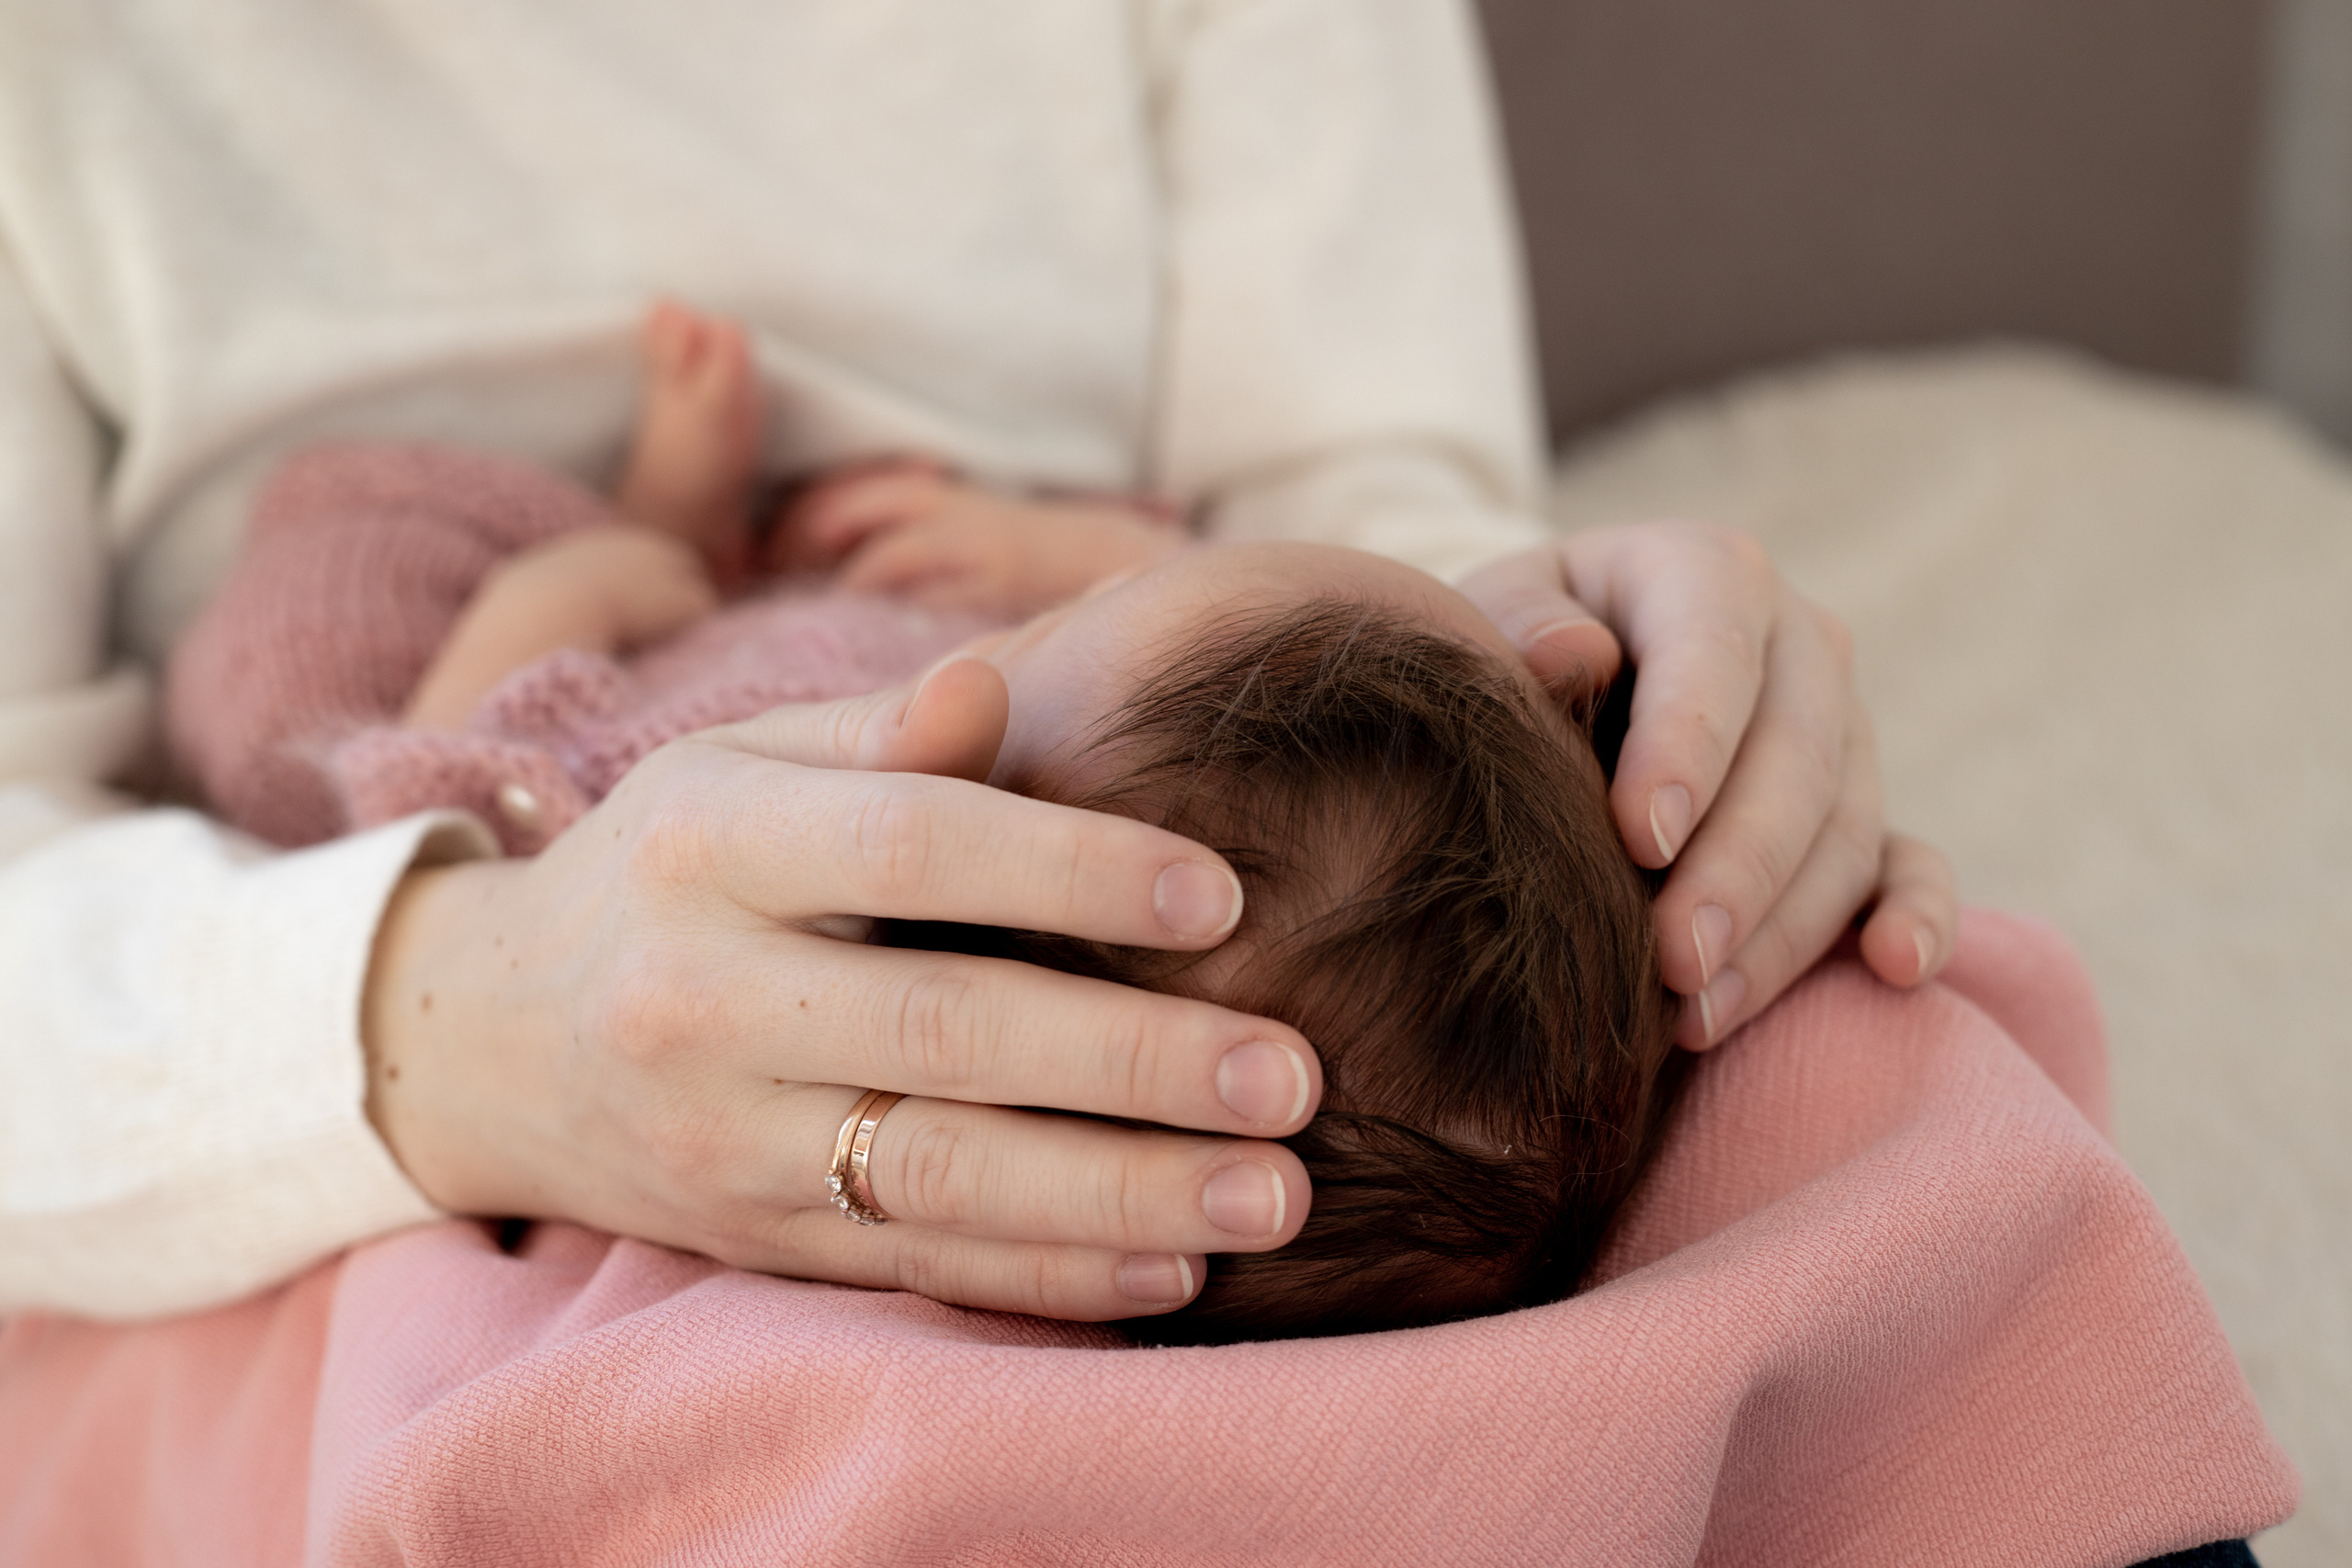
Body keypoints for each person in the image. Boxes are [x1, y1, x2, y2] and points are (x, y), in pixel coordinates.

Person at [0, 0, 1952, 1324]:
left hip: (1125, 874)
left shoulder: (1028, 711)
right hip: (293, 984)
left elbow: (1348, 529)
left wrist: (1575, 677)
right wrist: (459, 1022)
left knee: (1889, 1039)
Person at [164, 298, 1684, 1338]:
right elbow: (1205, 622)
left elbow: (453, 800)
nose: (1071, 591)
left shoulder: (765, 833)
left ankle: (659, 522)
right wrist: (1033, 545)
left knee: (300, 644)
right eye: (1110, 580)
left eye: (1067, 612)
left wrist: (560, 595)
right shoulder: (1129, 723)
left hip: (566, 689)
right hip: (859, 616)